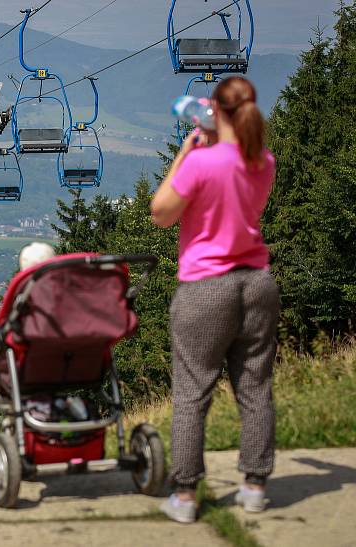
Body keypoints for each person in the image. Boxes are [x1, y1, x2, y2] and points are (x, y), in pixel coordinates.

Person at [150, 76, 278, 524]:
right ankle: (255, 486)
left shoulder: (203, 163)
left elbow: (161, 213)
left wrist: (187, 153)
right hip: (258, 282)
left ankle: (185, 496)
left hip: (207, 286)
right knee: (255, 387)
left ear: (215, 112)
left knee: (192, 392)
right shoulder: (263, 161)